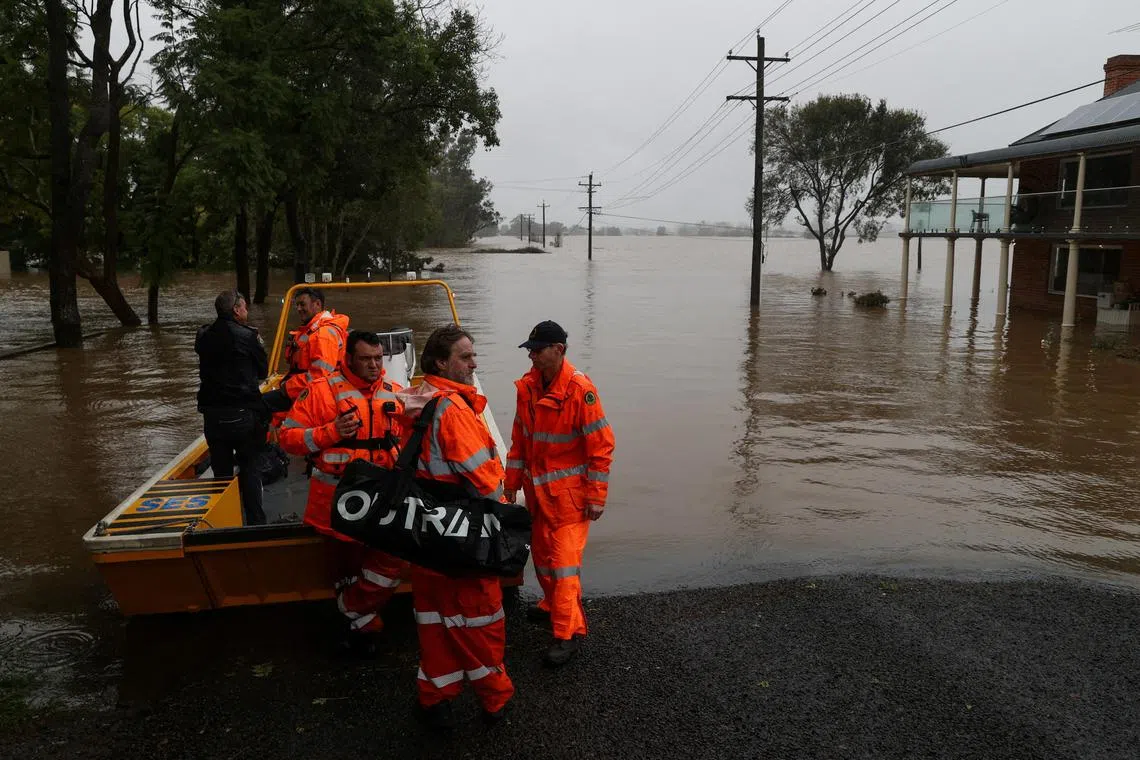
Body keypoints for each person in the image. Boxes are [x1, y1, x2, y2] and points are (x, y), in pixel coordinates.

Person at [398, 324, 513, 729]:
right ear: (441, 362)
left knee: (434, 622)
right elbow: (487, 482)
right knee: (481, 619)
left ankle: (434, 699)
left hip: (426, 536)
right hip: (462, 536)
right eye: (465, 356)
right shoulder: (454, 410)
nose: (474, 363)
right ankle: (495, 702)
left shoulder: (419, 399)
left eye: (473, 355)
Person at [278, 330, 408, 649]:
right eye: (366, 359)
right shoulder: (321, 392)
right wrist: (330, 432)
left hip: (382, 500)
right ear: (348, 359)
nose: (375, 366)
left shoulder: (396, 392)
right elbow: (287, 439)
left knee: (392, 559)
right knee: (346, 570)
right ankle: (362, 623)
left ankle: (352, 612)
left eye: (379, 359)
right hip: (336, 503)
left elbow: (410, 442)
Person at [504, 320, 614, 667]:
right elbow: (520, 440)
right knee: (543, 561)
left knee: (564, 567)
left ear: (559, 350)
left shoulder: (580, 391)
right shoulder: (529, 389)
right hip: (538, 494)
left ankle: (566, 634)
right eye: (530, 351)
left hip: (569, 499)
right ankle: (553, 607)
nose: (532, 356)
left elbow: (601, 447)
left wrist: (596, 497)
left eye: (537, 350)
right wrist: (510, 483)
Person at [195, 290, 269, 525]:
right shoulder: (248, 337)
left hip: (212, 416)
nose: (247, 311)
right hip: (242, 413)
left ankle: (224, 522)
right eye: (245, 306)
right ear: (236, 310)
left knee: (221, 473)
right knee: (250, 468)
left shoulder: (204, 335)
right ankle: (256, 523)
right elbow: (263, 372)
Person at [263, 287, 350, 415]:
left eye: (302, 304)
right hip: (306, 388)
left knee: (259, 404)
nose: (298, 309)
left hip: (317, 394)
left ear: (318, 304)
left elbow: (319, 376)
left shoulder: (323, 335)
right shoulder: (313, 330)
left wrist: (287, 387)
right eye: (297, 305)